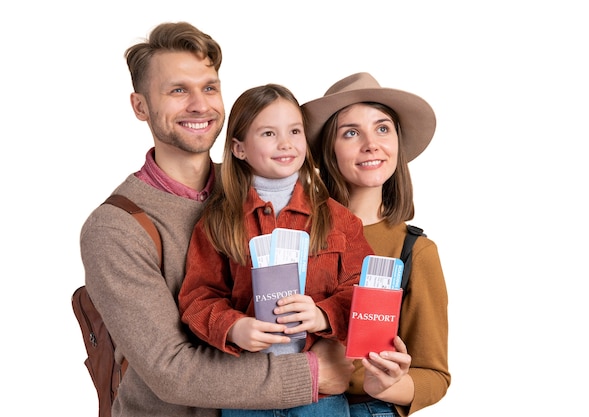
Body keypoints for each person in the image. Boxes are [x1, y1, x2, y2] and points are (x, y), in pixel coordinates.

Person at [79, 22, 354, 417]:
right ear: (140, 106)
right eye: (178, 90)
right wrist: (313, 373)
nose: (199, 105)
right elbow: (170, 370)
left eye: (209, 88)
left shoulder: (263, 191)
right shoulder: (116, 228)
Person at [178, 83, 374, 416]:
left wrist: (323, 314)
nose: (285, 143)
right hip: (248, 395)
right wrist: (233, 327)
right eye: (269, 133)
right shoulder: (218, 221)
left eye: (294, 131)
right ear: (239, 149)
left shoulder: (340, 220)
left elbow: (363, 293)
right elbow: (199, 296)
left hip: (319, 398)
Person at [302, 72, 451, 416]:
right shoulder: (291, 233)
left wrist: (387, 384)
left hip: (368, 408)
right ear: (328, 150)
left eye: (382, 128)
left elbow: (435, 375)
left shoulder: (415, 251)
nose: (370, 143)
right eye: (351, 132)